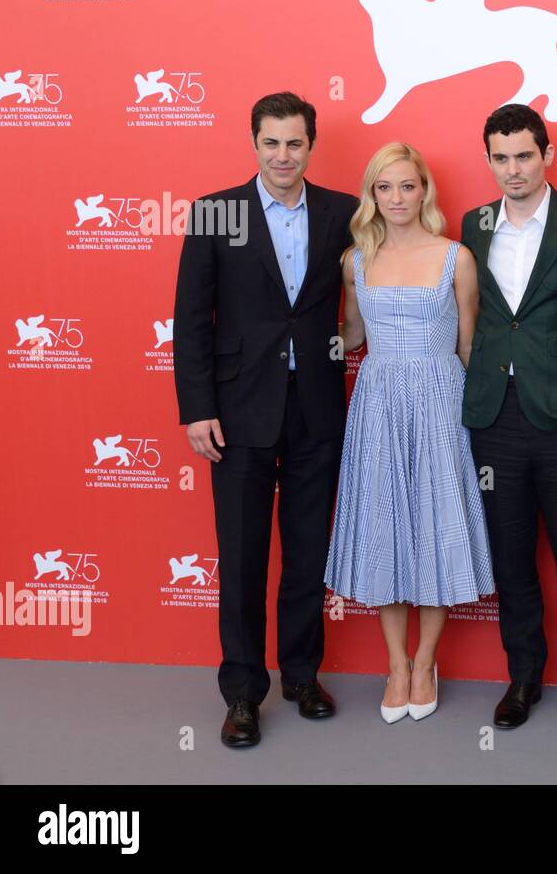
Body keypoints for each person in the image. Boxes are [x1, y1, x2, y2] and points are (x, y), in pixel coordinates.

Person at [173, 91, 357, 748]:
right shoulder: (216, 212)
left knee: (308, 555)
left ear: (312, 145)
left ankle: (303, 675)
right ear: (254, 142)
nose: (284, 155)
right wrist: (196, 409)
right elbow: (192, 320)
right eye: (272, 142)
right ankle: (244, 693)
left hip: (316, 410)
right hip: (238, 412)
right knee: (244, 559)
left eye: (296, 143)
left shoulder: (344, 213)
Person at [323, 142, 494, 724]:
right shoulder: (354, 261)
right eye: (384, 187)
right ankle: (395, 665)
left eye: (406, 186)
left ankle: (426, 663)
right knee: (385, 528)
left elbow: (469, 346)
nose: (396, 198)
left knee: (435, 525)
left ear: (425, 191)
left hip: (441, 403)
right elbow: (349, 336)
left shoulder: (457, 257)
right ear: (372, 194)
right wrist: (288, 346)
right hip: (377, 403)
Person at [461, 104, 557, 735]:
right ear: (489, 160)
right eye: (501, 157)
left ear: (546, 155)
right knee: (511, 555)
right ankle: (522, 676)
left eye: (525, 155)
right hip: (495, 416)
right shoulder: (474, 224)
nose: (514, 169)